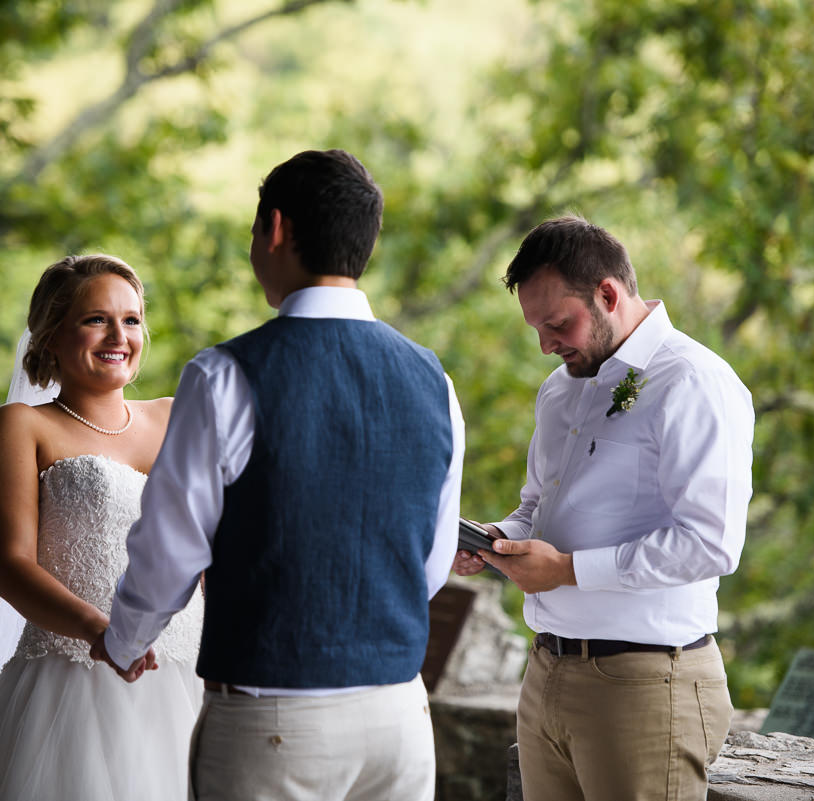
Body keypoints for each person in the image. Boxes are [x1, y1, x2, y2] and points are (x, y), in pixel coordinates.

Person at [89, 149, 466, 801]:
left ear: (276, 229)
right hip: (399, 715)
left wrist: (123, 640)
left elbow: (169, 552)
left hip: (274, 717)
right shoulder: (435, 381)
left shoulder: (225, 374)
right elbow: (431, 564)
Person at [455, 216, 753, 801]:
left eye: (557, 323)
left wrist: (566, 570)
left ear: (608, 295)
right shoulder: (560, 387)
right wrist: (497, 541)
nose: (545, 344)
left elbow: (711, 544)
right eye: (535, 328)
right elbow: (537, 507)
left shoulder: (693, 381)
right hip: (545, 673)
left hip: (645, 683)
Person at [0, 255, 204, 801]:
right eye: (96, 319)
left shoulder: (176, 415)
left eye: (132, 320)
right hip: (72, 690)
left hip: (191, 684)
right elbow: (11, 567)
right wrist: (102, 632)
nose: (119, 335)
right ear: (51, 335)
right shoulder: (20, 427)